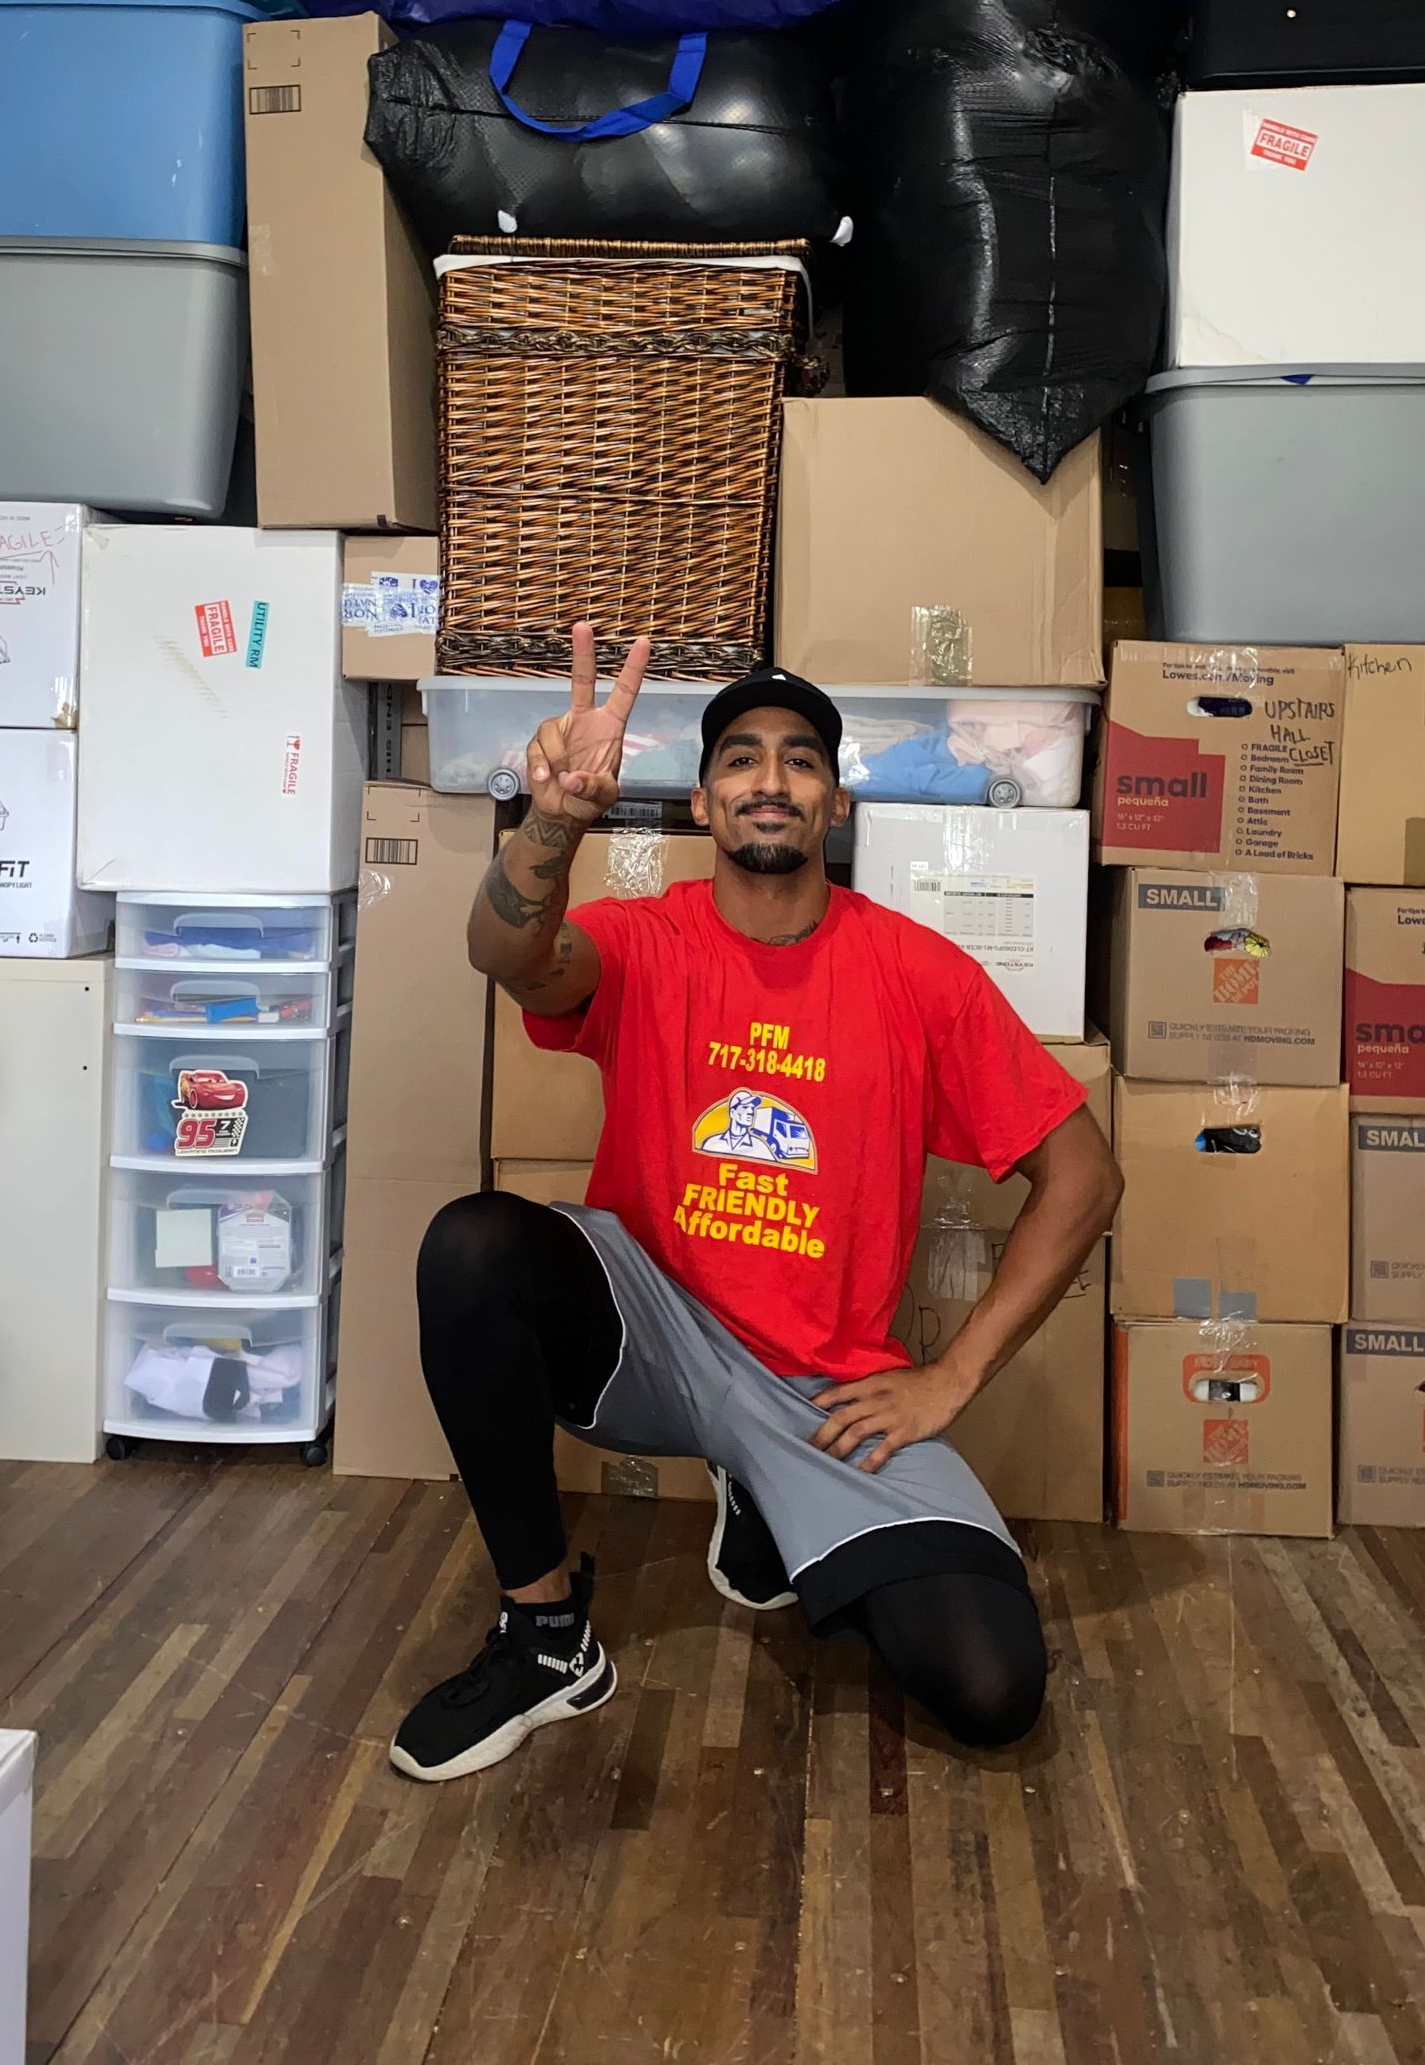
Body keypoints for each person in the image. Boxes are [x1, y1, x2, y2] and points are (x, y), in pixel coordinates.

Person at [391, 624, 1122, 1784]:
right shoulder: (644, 940)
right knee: (473, 1246)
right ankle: (544, 1640)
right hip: (655, 1333)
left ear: (834, 805)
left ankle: (767, 1493)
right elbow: (504, 950)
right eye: (739, 757)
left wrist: (955, 1374)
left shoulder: (921, 975)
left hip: (825, 1389)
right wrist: (557, 820)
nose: (768, 777)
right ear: (700, 805)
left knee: (993, 1690)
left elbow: (1084, 1175)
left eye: (798, 758)